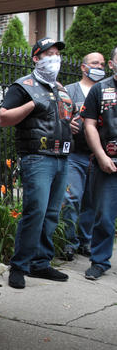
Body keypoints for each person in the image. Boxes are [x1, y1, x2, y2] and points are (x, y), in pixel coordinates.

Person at [0, 37, 75, 289]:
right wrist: (32, 104)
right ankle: (19, 266)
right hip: (37, 158)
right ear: (36, 58)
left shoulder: (60, 88)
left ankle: (40, 264)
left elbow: (64, 119)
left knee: (52, 213)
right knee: (36, 212)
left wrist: (73, 124)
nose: (54, 58)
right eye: (48, 54)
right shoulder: (23, 86)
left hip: (62, 158)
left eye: (57, 54)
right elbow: (4, 118)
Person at [59, 52, 105, 260]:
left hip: (98, 155)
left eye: (103, 64)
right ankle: (69, 242)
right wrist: (67, 123)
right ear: (83, 67)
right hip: (75, 154)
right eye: (95, 63)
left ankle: (85, 241)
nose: (99, 67)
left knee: (92, 201)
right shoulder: (70, 91)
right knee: (72, 197)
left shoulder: (106, 90)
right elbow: (57, 117)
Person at [79, 46, 117, 280]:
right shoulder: (100, 90)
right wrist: (101, 156)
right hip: (107, 163)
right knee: (103, 216)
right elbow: (89, 124)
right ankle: (99, 261)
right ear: (112, 64)